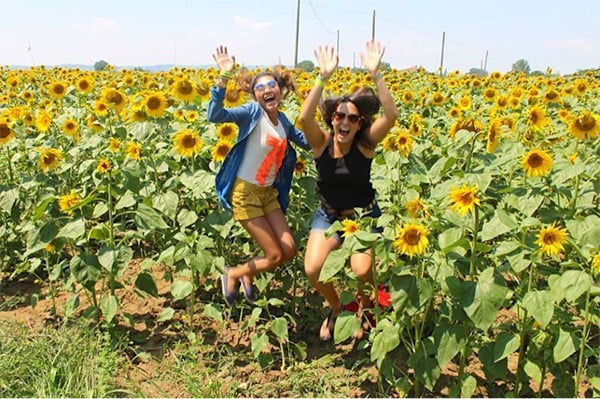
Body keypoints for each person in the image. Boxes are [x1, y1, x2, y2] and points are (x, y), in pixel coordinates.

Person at [297, 40, 399, 341]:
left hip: (363, 219)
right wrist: (322, 77)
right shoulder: (321, 143)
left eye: (352, 118)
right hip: (328, 216)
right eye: (339, 116)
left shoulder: (366, 145)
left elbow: (391, 116)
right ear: (331, 119)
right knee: (313, 270)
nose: (344, 121)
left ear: (359, 124)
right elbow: (304, 119)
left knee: (361, 270)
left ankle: (366, 306)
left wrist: (376, 74)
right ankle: (337, 306)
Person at [207, 45, 309, 307]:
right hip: (246, 193)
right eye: (260, 87)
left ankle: (245, 273)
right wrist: (224, 76)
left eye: (271, 85)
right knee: (274, 255)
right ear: (255, 95)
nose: (266, 89)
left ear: (280, 90)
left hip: (268, 193)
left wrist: (326, 121)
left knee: (289, 250)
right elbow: (215, 115)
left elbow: (309, 142)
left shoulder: (284, 121)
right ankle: (235, 273)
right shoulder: (253, 113)